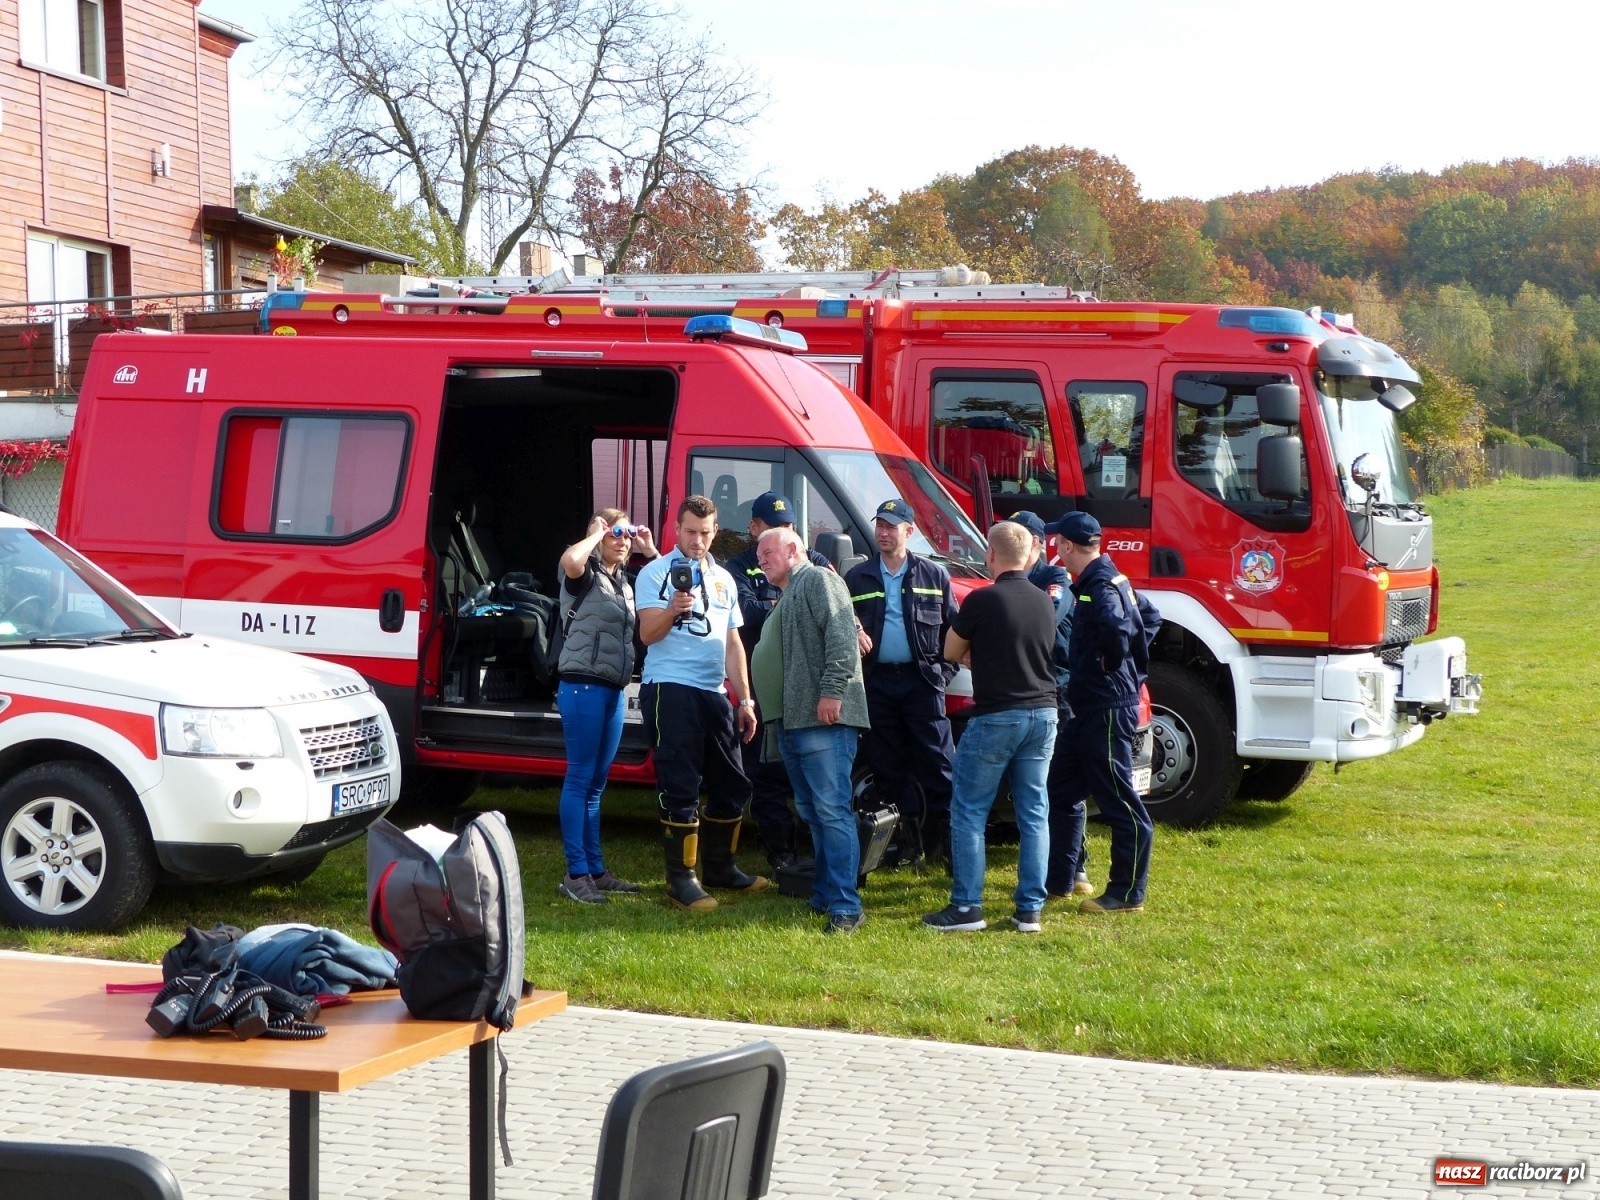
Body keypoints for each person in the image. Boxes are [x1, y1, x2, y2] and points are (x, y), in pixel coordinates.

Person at [923, 521, 1059, 933]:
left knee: (969, 811)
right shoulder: (1044, 600)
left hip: (998, 713)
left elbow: (950, 650)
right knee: (1034, 813)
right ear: (1030, 554)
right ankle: (1029, 910)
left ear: (991, 555)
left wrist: (976, 653)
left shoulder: (983, 599)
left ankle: (967, 907)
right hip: (1044, 712)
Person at [635, 495, 767, 911]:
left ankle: (721, 868)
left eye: (705, 533)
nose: (697, 540)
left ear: (716, 532)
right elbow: (647, 635)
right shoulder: (655, 572)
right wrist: (672, 610)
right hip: (670, 687)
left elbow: (733, 642)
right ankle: (681, 879)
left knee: (733, 783)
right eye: (690, 531)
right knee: (681, 785)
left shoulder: (724, 578)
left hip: (714, 692)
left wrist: (745, 700)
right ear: (676, 529)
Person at [753, 527, 870, 934]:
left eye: (767, 553)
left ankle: (846, 906)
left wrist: (833, 692)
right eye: (759, 556)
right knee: (814, 812)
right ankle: (825, 893)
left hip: (822, 719)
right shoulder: (789, 593)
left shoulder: (818, 579)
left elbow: (842, 636)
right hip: (794, 721)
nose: (761, 561)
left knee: (831, 811)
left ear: (792, 549)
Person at [1049, 511, 1161, 914]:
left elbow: (1117, 628)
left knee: (1118, 798)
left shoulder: (1100, 585)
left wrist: (1111, 662)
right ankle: (1060, 880)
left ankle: (1127, 893)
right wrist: (1127, 659)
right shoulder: (1107, 578)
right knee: (1061, 789)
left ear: (1067, 545)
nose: (1054, 548)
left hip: (1106, 706)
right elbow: (1150, 616)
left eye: (1057, 542)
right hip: (1088, 706)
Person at [845, 499, 958, 867]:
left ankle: (944, 845)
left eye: (891, 526)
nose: (883, 532)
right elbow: (842, 623)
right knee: (887, 765)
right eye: (879, 525)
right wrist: (855, 628)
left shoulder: (933, 575)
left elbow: (955, 633)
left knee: (939, 765)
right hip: (877, 684)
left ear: (909, 531)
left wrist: (941, 676)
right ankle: (908, 843)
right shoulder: (857, 577)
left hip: (921, 683)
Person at [552, 510, 656, 904]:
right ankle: (575, 874)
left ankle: (595, 870)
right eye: (616, 533)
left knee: (596, 783)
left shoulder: (624, 582)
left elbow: (668, 581)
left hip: (612, 689)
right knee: (580, 778)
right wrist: (596, 534)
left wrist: (650, 550)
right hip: (583, 687)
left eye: (626, 534)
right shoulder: (584, 573)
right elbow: (570, 559)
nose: (622, 540)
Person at [725, 491, 831, 870]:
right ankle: (781, 854)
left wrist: (771, 605)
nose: (784, 531)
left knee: (812, 774)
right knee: (765, 772)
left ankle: (819, 856)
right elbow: (744, 612)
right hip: (763, 689)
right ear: (754, 528)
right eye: (774, 525)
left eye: (788, 526)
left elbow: (832, 603)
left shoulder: (816, 562)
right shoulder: (739, 565)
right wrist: (790, 603)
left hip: (806, 686)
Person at [1009, 510, 1068, 607]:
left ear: (1033, 542)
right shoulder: (1002, 574)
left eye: (1014, 537)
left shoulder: (1055, 577)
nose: (1005, 541)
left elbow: (1050, 613)